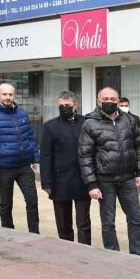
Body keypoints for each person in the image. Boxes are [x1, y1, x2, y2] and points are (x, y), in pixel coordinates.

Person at [78, 87, 140, 255]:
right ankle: (112, 254)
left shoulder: (129, 120)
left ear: (118, 100)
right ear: (98, 101)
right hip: (104, 180)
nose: (109, 102)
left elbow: (139, 147)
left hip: (128, 178)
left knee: (135, 219)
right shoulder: (89, 123)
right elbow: (85, 155)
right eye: (105, 98)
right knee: (108, 222)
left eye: (113, 99)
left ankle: (136, 254)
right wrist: (92, 184)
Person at [0, 82, 40, 233]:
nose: (7, 97)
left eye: (10, 94)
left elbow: (30, 138)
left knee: (32, 200)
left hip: (24, 166)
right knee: (6, 203)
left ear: (14, 95)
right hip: (4, 167)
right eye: (4, 94)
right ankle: (7, 231)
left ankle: (34, 232)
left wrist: (35, 158)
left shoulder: (22, 113)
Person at [40, 90, 91, 245]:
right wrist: (46, 182)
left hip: (83, 179)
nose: (64, 108)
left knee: (83, 221)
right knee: (63, 222)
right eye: (61, 106)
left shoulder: (86, 123)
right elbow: (46, 156)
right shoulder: (50, 126)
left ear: (75, 105)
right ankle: (66, 248)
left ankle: (85, 250)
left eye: (67, 105)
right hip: (59, 180)